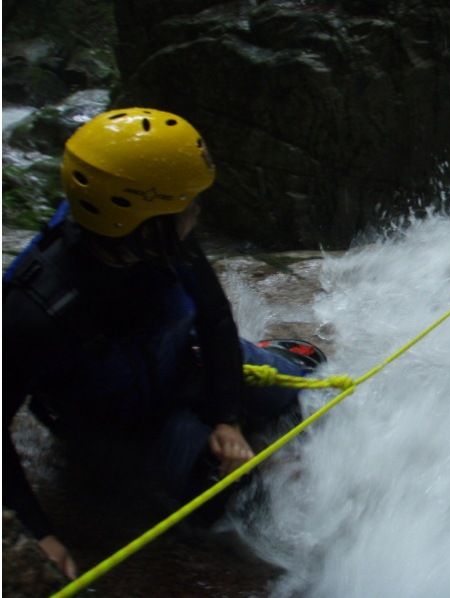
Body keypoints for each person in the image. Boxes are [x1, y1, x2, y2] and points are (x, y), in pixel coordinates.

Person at [2, 107, 324, 579]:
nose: (196, 212)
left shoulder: (152, 233)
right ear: (141, 219)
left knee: (302, 389)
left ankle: (274, 361)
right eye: (187, 205)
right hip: (118, 423)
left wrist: (226, 418)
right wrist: (40, 532)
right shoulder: (34, 312)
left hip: (178, 359)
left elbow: (213, 317)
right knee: (228, 494)